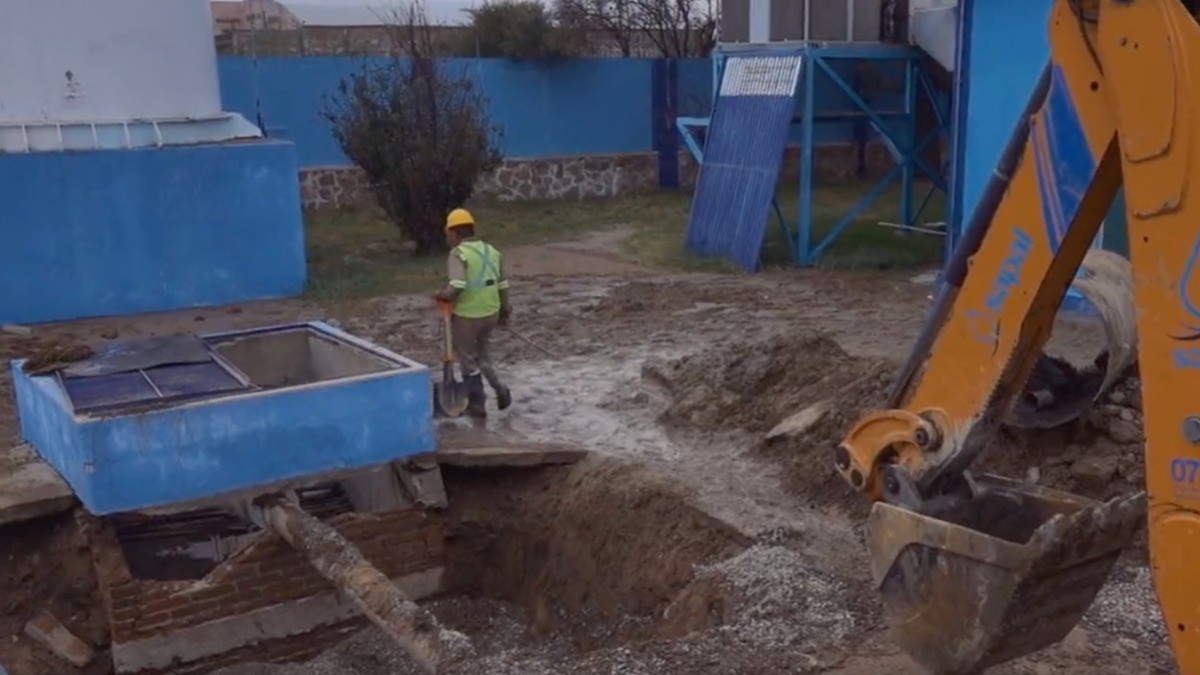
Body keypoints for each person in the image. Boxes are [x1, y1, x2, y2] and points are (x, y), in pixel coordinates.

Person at [435, 207, 512, 418]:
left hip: (468, 316)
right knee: (484, 356)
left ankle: (477, 404)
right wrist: (505, 311)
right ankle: (501, 389)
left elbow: (458, 284)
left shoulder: (458, 253)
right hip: (491, 312)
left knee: (468, 360)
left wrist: (443, 296)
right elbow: (503, 284)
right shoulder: (492, 251)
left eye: (448, 233)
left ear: (453, 232)